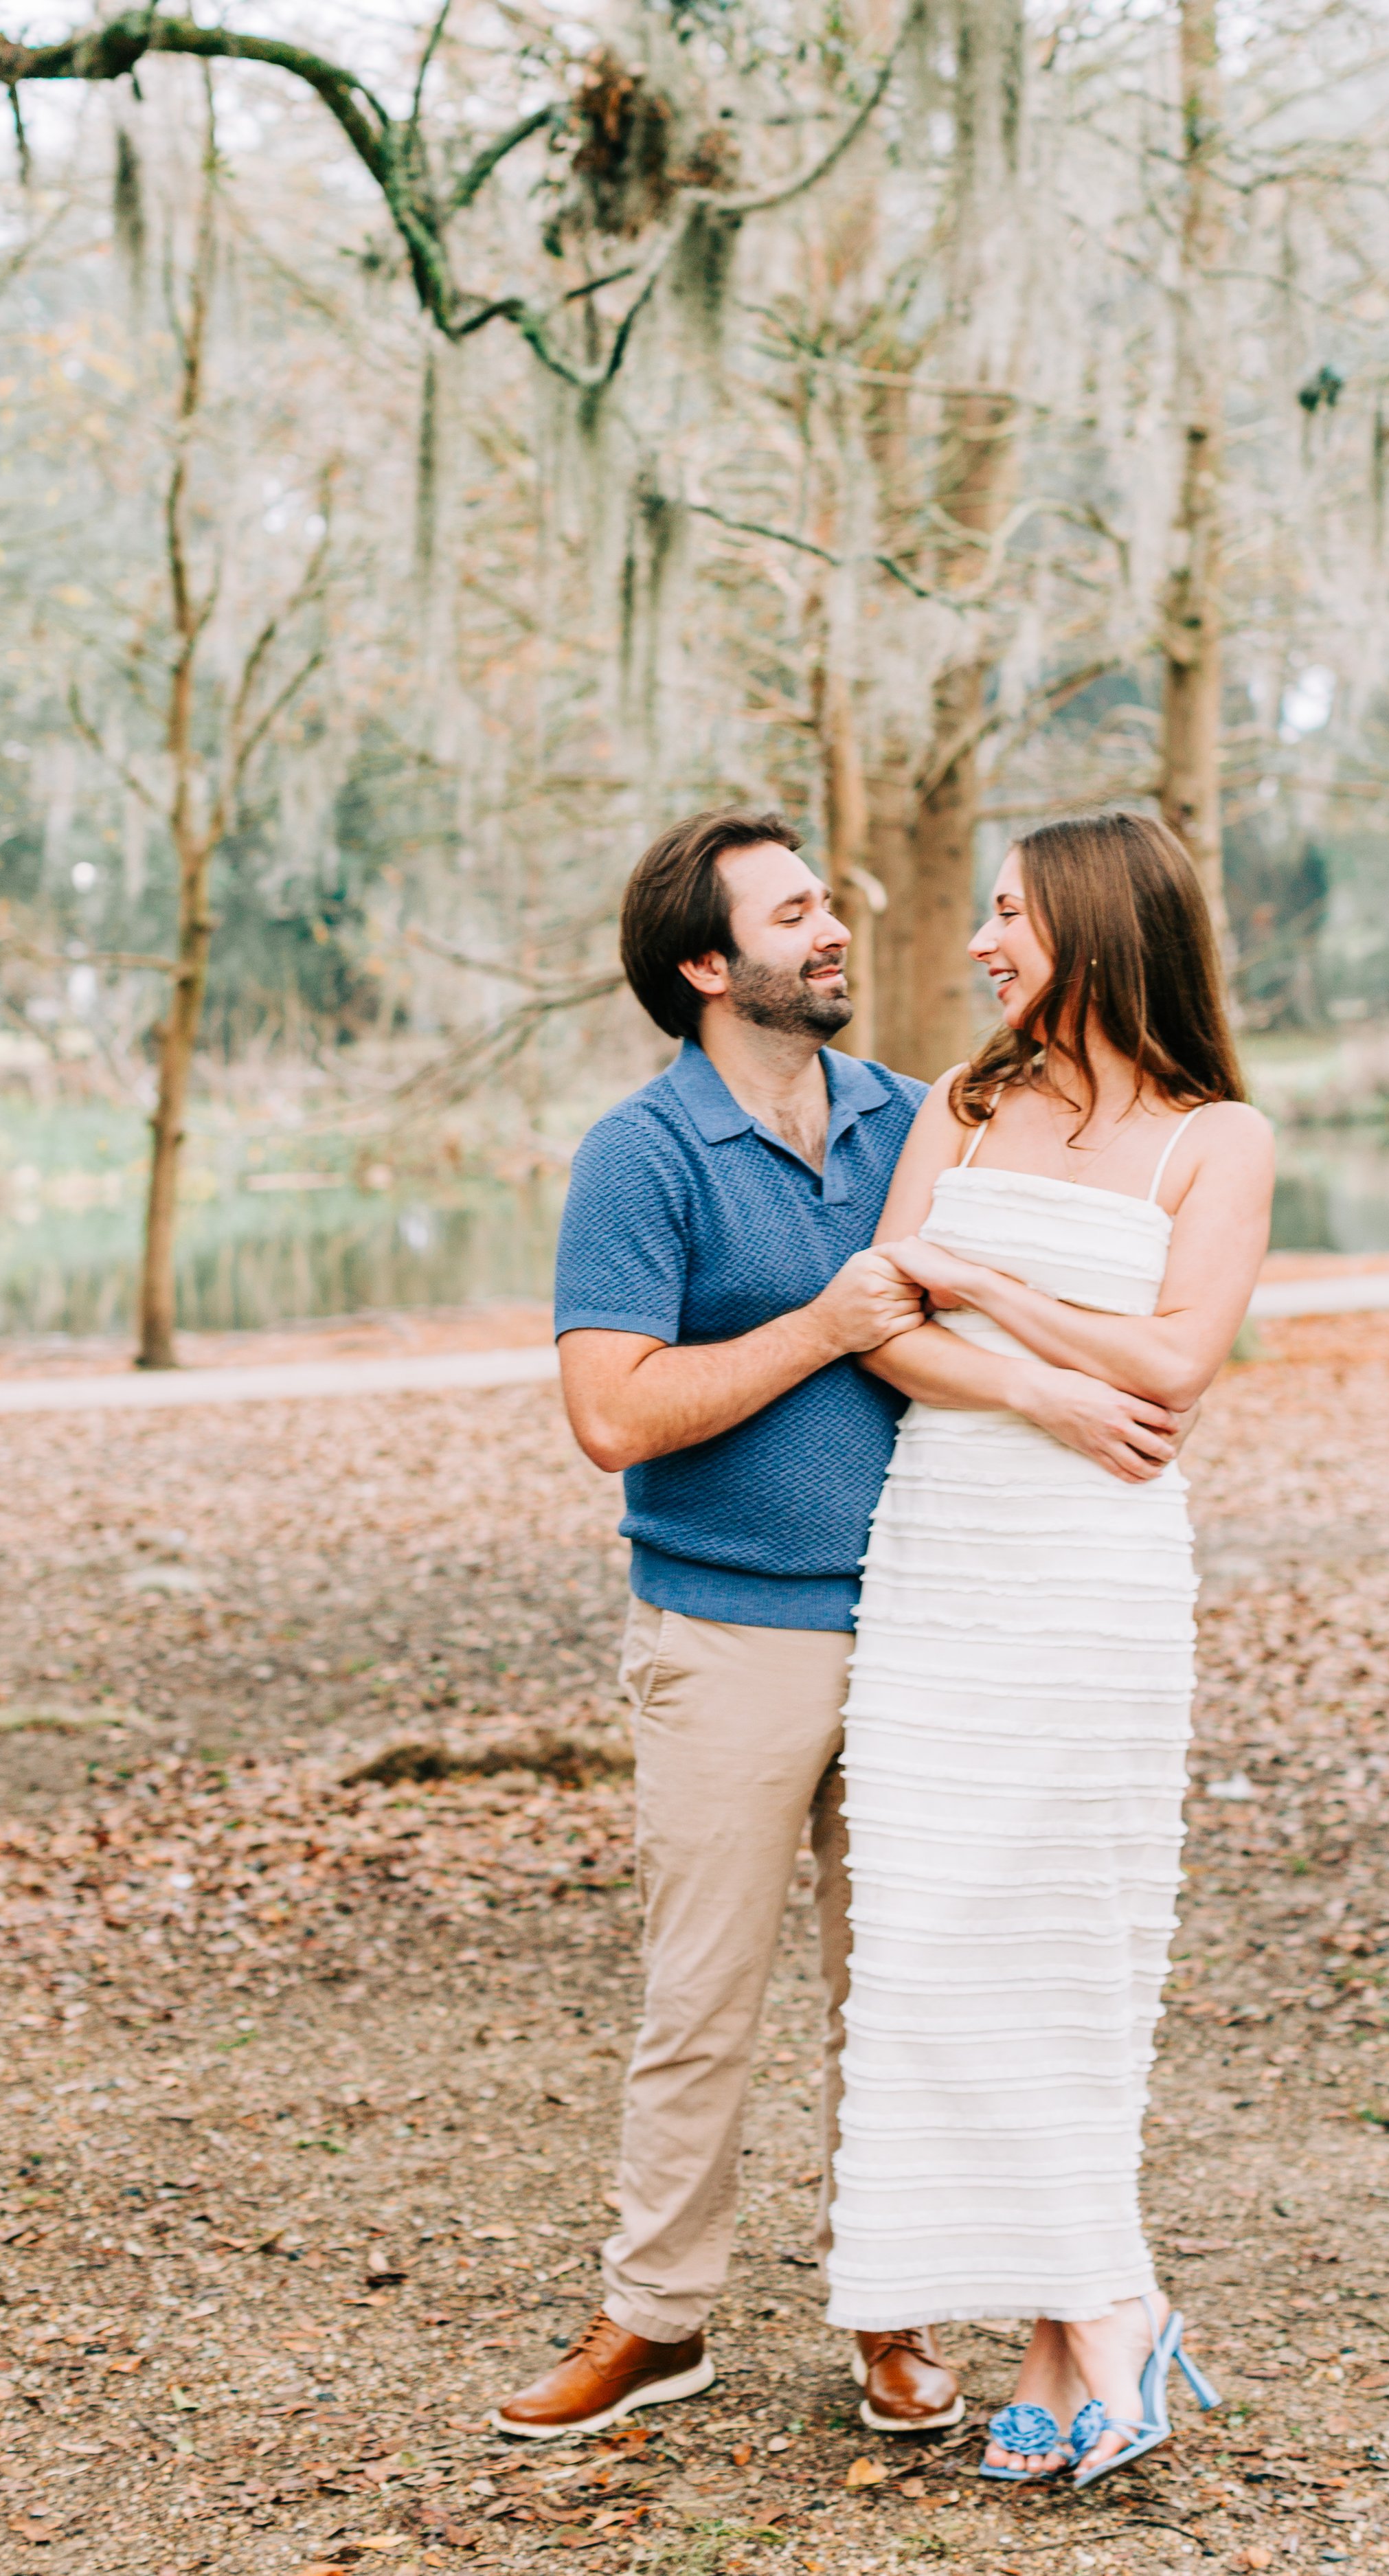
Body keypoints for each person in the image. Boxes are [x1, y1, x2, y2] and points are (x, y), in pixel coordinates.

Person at [495, 809, 1164, 2439]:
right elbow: (612, 1414)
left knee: (910, 1990)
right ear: (708, 967)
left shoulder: (921, 1117)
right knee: (700, 1998)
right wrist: (812, 1326)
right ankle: (655, 2320)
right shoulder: (638, 1158)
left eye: (826, 903)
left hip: (935, 1629)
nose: (835, 930)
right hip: (725, 1635)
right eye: (794, 915)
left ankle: (894, 2313)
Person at [823, 809, 1274, 2485]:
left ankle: (1077, 2320)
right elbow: (886, 1326)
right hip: (946, 1559)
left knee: (1070, 1947)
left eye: (1008, 912)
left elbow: (1175, 1369)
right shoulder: (964, 1104)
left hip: (1093, 1575)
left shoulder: (1215, 1141)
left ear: (1090, 924)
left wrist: (991, 1292)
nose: (979, 941)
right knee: (939, 1932)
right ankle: (1094, 2306)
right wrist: (1021, 1374)